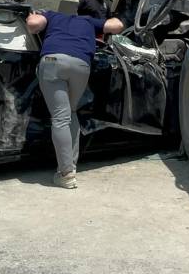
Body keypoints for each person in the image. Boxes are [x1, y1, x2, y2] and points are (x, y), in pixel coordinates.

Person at [25, 10, 124, 189]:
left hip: (53, 61)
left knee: (60, 118)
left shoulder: (52, 16)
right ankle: (71, 167)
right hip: (81, 65)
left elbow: (33, 26)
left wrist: (32, 15)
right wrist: (111, 17)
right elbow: (117, 26)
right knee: (71, 112)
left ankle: (65, 173)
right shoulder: (88, 21)